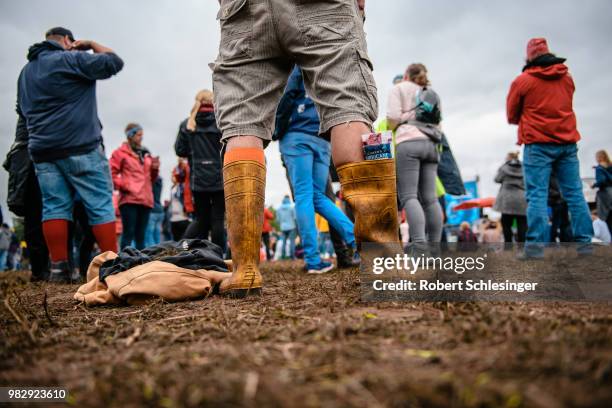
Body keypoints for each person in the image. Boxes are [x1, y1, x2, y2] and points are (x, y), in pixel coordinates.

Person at [16, 27, 123, 282]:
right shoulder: (70, 59)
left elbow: (22, 109)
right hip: (81, 146)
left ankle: (58, 269)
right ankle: (113, 264)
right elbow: (114, 62)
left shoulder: (25, 72)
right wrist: (90, 43)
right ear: (67, 41)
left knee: (54, 207)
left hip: (42, 150)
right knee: (99, 205)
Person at [507, 38, 592, 256]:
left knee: (537, 196)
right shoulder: (567, 78)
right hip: (567, 142)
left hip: (537, 144)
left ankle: (535, 249)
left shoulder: (523, 81)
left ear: (528, 57)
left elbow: (512, 114)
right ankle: (585, 245)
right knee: (575, 194)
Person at [276, 66, 357, 274]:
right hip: (322, 139)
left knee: (304, 195)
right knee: (319, 197)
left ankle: (312, 259)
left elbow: (286, 98)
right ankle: (357, 240)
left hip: (297, 135)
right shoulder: (330, 67)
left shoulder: (299, 67)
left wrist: (277, 129)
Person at [387, 63, 443, 245]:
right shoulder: (432, 94)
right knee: (430, 198)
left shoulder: (399, 89)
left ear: (406, 75)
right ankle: (435, 248)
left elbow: (392, 118)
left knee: (409, 196)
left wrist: (405, 117)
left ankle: (419, 247)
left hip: (408, 143)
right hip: (431, 144)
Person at [175, 90, 226, 250]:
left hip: (198, 179)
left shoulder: (187, 124)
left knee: (201, 219)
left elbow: (180, 150)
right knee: (217, 219)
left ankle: (181, 248)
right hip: (220, 177)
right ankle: (218, 257)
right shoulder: (221, 122)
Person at [4, 114, 50, 281]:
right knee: (35, 219)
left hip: (47, 160)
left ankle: (47, 268)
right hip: (30, 165)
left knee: (50, 216)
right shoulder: (30, 107)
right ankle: (39, 270)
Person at [110, 124, 160, 250]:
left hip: (146, 200)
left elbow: (151, 179)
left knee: (141, 237)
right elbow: (111, 174)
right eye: (138, 135)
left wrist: (155, 169)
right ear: (130, 136)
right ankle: (124, 263)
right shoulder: (120, 153)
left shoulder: (146, 154)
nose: (141, 138)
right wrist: (126, 186)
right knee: (128, 234)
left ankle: (141, 266)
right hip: (129, 200)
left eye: (142, 135)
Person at [494, 152, 527, 242]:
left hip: (507, 200)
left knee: (506, 224)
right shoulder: (524, 167)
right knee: (522, 224)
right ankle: (522, 247)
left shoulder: (504, 168)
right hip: (522, 199)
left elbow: (497, 179)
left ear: (508, 158)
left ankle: (508, 247)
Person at [593, 150, 612, 233]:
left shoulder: (599, 168)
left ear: (599, 157)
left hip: (605, 194)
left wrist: (594, 185)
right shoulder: (610, 166)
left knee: (608, 217)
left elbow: (602, 180)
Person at [144, 176, 164, 247]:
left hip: (152, 210)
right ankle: (159, 251)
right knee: (157, 234)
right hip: (160, 210)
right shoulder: (160, 181)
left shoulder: (150, 182)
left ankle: (152, 252)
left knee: (149, 234)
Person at [275, 195, 297, 259]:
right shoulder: (292, 207)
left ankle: (283, 256)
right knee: (292, 242)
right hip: (292, 227)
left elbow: (278, 220)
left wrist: (282, 224)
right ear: (288, 199)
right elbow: (295, 218)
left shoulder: (278, 209)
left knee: (283, 242)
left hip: (283, 228)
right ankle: (292, 256)